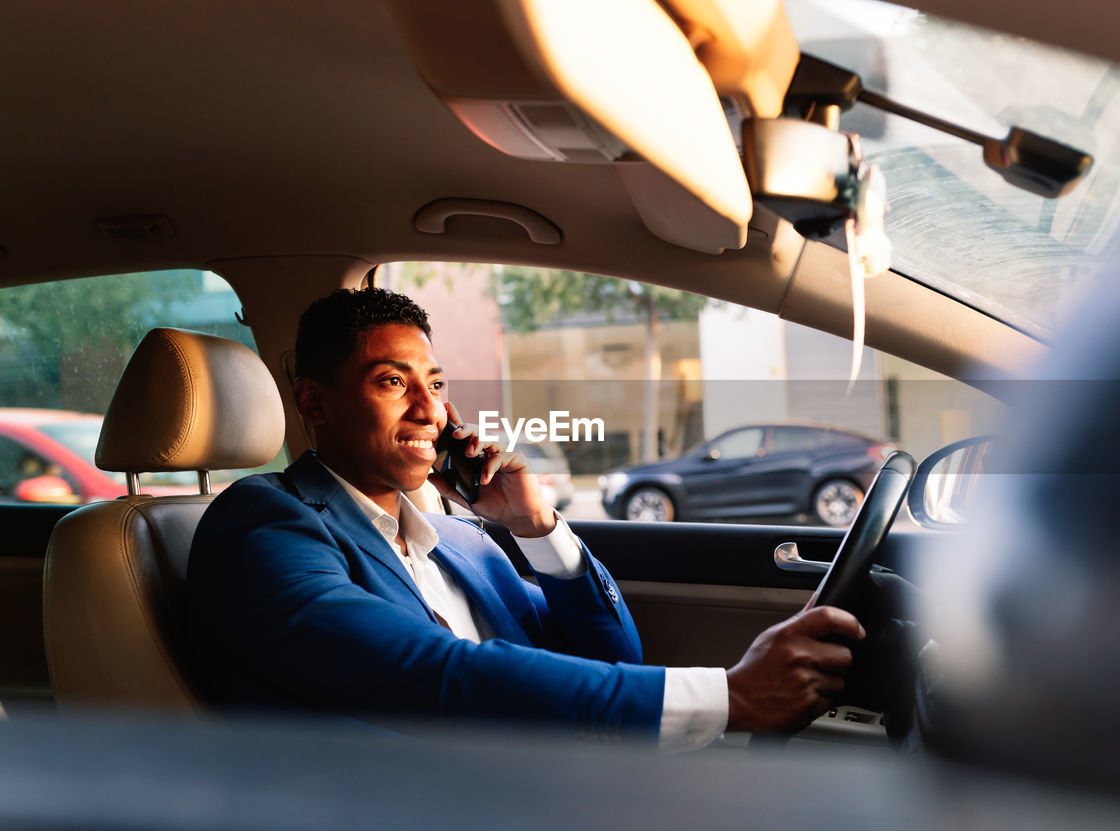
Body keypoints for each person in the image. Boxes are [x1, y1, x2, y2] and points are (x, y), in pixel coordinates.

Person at [185, 287, 863, 750]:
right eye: (393, 382)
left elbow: (612, 656)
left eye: (437, 383)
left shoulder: (460, 539)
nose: (432, 410)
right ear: (316, 401)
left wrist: (539, 528)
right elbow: (430, 675)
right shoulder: (263, 524)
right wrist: (728, 696)